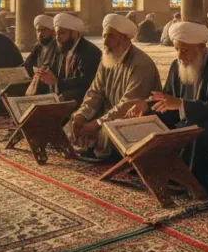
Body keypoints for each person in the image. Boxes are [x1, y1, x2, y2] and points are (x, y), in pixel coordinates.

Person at [145, 22, 208, 195]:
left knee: (195, 131)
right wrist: (146, 105)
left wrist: (181, 104)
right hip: (187, 119)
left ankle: (190, 180)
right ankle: (158, 170)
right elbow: (168, 98)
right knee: (150, 119)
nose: (180, 55)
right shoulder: (177, 65)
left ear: (201, 46)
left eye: (184, 50)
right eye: (177, 49)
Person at [67, 14, 161, 157]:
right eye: (104, 36)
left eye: (110, 36)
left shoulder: (141, 64)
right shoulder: (108, 56)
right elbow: (95, 92)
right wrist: (83, 115)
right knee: (74, 121)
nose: (104, 41)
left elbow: (128, 105)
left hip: (132, 118)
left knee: (106, 133)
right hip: (109, 114)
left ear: (124, 38)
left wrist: (97, 123)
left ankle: (101, 151)